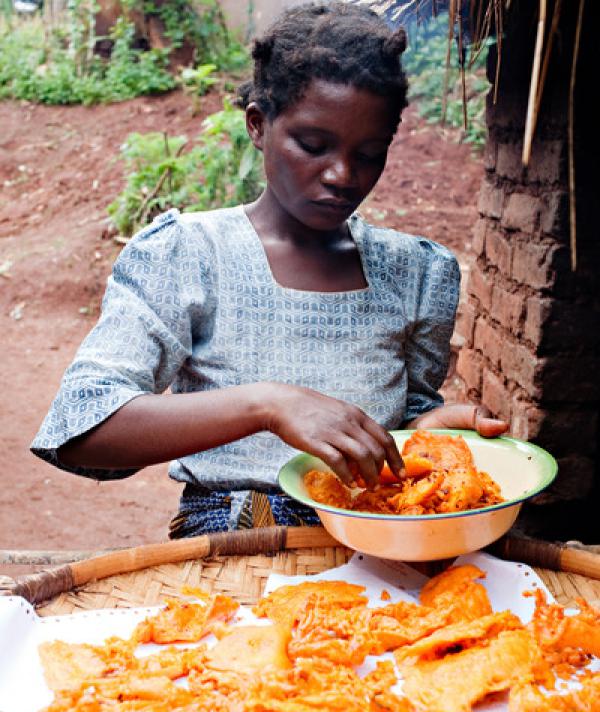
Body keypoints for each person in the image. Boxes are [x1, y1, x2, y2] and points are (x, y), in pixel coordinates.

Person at [31, 1, 508, 538]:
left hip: (382, 541)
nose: (342, 174)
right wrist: (267, 404)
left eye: (370, 153)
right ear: (259, 125)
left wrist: (429, 433)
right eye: (312, 144)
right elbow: (83, 428)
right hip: (237, 541)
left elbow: (400, 429)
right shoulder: (190, 254)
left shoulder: (416, 274)